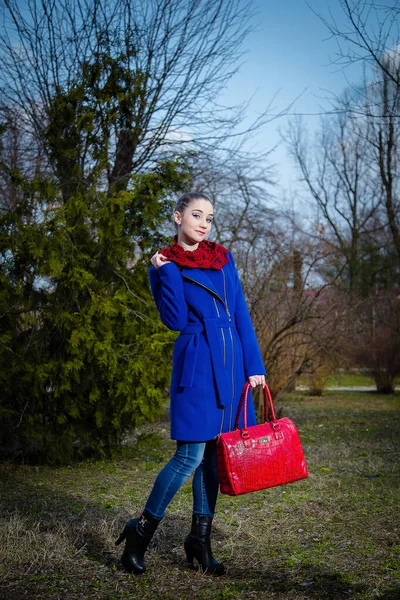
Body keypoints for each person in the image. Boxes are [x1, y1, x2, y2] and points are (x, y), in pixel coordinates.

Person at [115, 192, 266, 575]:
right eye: (196, 215)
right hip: (198, 362)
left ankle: (199, 540)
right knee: (190, 456)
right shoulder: (165, 265)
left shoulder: (222, 258)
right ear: (177, 216)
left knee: (214, 457)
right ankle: (140, 531)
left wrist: (255, 364)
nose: (203, 223)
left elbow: (241, 314)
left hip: (231, 365)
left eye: (210, 217)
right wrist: (165, 272)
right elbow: (175, 320)